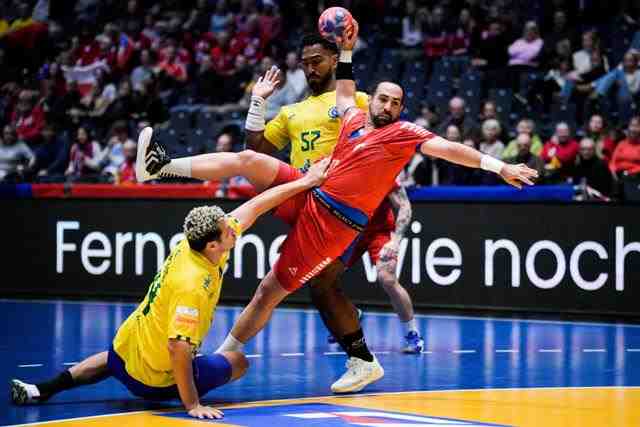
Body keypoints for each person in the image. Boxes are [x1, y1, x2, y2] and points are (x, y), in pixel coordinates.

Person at [137, 17, 537, 394]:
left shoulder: (402, 133)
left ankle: (225, 359)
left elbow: (449, 149)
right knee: (249, 161)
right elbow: (344, 91)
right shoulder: (353, 118)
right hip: (311, 188)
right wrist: (346, 51)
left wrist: (498, 166)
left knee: (270, 291)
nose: (386, 106)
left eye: (395, 103)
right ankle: (161, 167)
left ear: (401, 110)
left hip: (332, 222)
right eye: (382, 99)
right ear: (371, 100)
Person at [10, 152, 329, 420]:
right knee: (239, 362)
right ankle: (182, 389)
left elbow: (255, 206)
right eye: (227, 232)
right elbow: (178, 348)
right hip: (154, 381)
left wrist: (306, 181)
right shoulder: (194, 283)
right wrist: (192, 404)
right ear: (213, 247)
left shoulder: (196, 244)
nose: (234, 230)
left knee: (111, 358)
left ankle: (43, 388)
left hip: (125, 351)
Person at [246, 33, 424, 353]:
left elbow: (388, 129)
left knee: (339, 281)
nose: (311, 69)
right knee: (317, 283)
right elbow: (255, 149)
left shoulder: (358, 101)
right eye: (305, 64)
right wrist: (258, 102)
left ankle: (382, 344)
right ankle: (355, 338)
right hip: (312, 203)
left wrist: (347, 50)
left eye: (317, 61)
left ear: (332, 61)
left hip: (352, 205)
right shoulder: (290, 113)